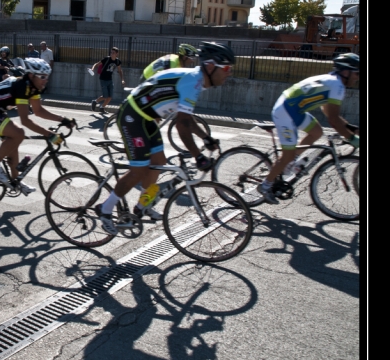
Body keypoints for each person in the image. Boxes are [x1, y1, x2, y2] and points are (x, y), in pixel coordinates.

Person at [94, 42, 236, 234]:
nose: (229, 73)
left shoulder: (197, 81)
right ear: (210, 66)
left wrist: (205, 138)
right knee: (139, 169)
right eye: (226, 68)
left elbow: (186, 119)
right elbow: (182, 125)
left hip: (146, 119)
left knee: (159, 162)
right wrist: (198, 156)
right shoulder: (193, 82)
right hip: (132, 116)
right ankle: (105, 209)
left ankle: (142, 205)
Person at [257, 52, 361, 204]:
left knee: (317, 132)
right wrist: (352, 138)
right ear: (346, 71)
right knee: (287, 155)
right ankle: (265, 186)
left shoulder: (332, 81)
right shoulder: (337, 86)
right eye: (357, 73)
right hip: (285, 111)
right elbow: (333, 119)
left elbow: (327, 111)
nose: (358, 77)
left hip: (294, 109)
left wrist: (350, 128)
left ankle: (290, 162)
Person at [0, 58, 76, 194]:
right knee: (19, 133)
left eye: (47, 77)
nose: (46, 80)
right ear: (32, 75)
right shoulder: (22, 87)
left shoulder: (33, 87)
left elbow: (38, 111)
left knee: (13, 144)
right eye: (43, 77)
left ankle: (16, 182)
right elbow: (25, 121)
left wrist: (63, 119)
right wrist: (49, 134)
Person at [90, 47, 125, 115]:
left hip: (110, 80)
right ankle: (95, 101)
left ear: (117, 54)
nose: (111, 54)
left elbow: (120, 71)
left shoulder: (117, 61)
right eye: (111, 52)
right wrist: (92, 69)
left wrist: (122, 80)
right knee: (105, 96)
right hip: (103, 79)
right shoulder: (106, 59)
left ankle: (102, 107)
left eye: (113, 53)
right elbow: (97, 64)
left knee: (110, 97)